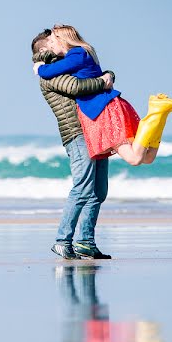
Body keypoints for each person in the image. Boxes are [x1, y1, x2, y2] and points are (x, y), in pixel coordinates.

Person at [33, 25, 172, 165]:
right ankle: (160, 115)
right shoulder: (84, 52)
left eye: (52, 40)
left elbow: (50, 71)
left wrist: (39, 67)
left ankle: (156, 113)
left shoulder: (76, 54)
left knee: (134, 159)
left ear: (62, 40)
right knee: (147, 158)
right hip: (110, 105)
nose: (51, 44)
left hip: (103, 111)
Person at [30, 29, 114, 260]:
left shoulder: (68, 63)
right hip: (76, 134)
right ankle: (62, 240)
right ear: (45, 50)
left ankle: (86, 242)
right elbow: (77, 87)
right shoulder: (49, 75)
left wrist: (108, 74)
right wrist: (104, 81)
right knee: (83, 187)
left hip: (93, 130)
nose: (58, 42)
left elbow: (89, 74)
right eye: (53, 40)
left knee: (99, 191)